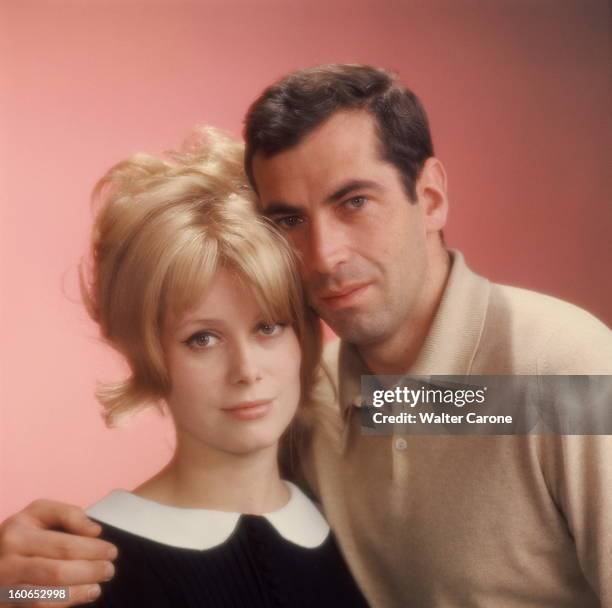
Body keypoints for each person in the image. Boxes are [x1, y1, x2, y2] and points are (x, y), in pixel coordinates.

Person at [1, 64, 611, 608]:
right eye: (289, 220)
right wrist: (16, 580)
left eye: (354, 202)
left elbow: (486, 405)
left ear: (429, 197)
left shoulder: (565, 376)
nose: (323, 255)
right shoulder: (319, 397)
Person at [3, 126, 368, 607]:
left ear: (305, 333)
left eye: (269, 327)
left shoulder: (355, 497)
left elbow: (494, 406)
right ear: (147, 351)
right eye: (203, 338)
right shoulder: (75, 568)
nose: (246, 370)